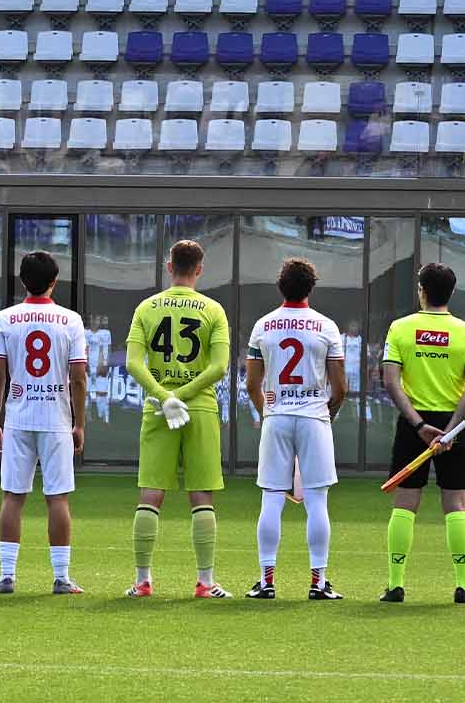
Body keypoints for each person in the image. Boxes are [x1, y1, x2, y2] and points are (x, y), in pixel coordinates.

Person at [124, 240, 232, 598]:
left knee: (151, 492)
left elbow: (133, 364)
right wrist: (183, 397)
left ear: (169, 266)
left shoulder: (146, 308)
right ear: (199, 269)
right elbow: (218, 367)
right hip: (199, 407)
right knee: (201, 494)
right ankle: (205, 582)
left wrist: (165, 397)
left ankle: (142, 581)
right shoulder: (213, 309)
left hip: (158, 407)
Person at [379, 262, 465, 604]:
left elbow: (390, 381)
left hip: (415, 424)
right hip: (453, 426)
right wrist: (451, 430)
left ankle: (395, 586)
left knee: (405, 503)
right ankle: (462, 586)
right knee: (456, 503)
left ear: (421, 290)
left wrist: (419, 425)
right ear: (452, 292)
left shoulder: (400, 328)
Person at [242, 259, 347, 601]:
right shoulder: (326, 326)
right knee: (317, 501)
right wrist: (325, 415)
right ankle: (318, 583)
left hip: (277, 418)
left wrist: (268, 412)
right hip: (314, 418)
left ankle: (267, 580)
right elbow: (340, 387)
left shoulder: (264, 325)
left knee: (271, 499)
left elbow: (251, 383)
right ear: (311, 288)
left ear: (280, 287)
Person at [0, 250, 88, 594]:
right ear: (54, 282)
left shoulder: (6, 318)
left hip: (18, 416)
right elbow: (78, 378)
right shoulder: (71, 320)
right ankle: (61, 577)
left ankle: (6, 576)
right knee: (57, 498)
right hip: (56, 418)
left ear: (22, 281)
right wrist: (79, 423)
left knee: (12, 496)